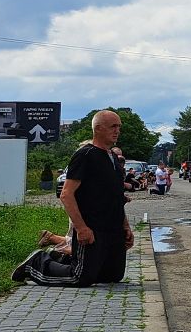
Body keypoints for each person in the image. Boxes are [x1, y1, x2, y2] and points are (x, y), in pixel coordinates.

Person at [13, 110, 133, 286]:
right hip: (92, 227)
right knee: (81, 278)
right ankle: (36, 263)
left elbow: (116, 196)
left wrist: (125, 226)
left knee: (112, 276)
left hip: (113, 229)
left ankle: (59, 257)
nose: (117, 131)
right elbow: (66, 194)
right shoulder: (85, 155)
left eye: (119, 127)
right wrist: (81, 228)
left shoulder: (113, 158)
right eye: (113, 127)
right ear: (98, 129)